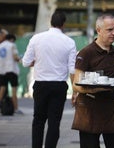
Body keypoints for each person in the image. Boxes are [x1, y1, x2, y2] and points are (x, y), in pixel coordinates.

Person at [71, 14, 114, 148]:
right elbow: (76, 84)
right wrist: (94, 89)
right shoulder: (86, 53)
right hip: (89, 110)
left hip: (111, 109)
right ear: (98, 30)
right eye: (110, 30)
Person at [22, 11, 77, 148]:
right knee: (54, 122)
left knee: (38, 120)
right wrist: (75, 92)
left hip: (40, 85)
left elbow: (25, 62)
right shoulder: (69, 42)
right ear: (63, 24)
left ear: (50, 22)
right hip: (59, 86)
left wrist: (36, 61)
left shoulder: (36, 39)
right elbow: (72, 69)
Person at [0, 34, 22, 114]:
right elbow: (15, 57)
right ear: (12, 39)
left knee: (2, 88)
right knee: (14, 90)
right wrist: (20, 58)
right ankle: (16, 108)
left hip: (1, 70)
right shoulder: (12, 45)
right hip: (11, 70)